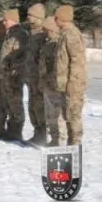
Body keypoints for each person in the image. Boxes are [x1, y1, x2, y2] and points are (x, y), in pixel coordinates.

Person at [53, 4, 88, 145]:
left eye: (56, 17)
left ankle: (75, 144)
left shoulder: (72, 35)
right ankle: (70, 143)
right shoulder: (64, 34)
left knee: (73, 116)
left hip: (73, 85)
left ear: (63, 18)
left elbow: (77, 62)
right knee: (68, 115)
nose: (54, 20)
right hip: (65, 85)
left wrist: (73, 84)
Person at [0, 9, 29, 141]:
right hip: (6, 75)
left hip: (15, 75)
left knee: (16, 103)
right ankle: (10, 129)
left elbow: (20, 56)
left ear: (14, 20)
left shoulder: (20, 34)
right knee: (9, 102)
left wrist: (13, 71)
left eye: (6, 20)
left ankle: (17, 131)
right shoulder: (9, 34)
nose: (3, 22)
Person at [39, 16, 67, 146]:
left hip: (55, 85)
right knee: (50, 114)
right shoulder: (47, 43)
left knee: (57, 114)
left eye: (46, 29)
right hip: (47, 85)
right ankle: (54, 139)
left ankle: (60, 140)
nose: (44, 31)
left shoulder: (57, 44)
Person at [24, 3, 47, 145]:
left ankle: (43, 134)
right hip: (30, 77)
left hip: (39, 78)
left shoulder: (43, 34)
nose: (28, 18)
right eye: (28, 15)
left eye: (31, 15)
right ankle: (36, 132)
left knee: (40, 107)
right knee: (32, 107)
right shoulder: (30, 33)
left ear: (39, 17)